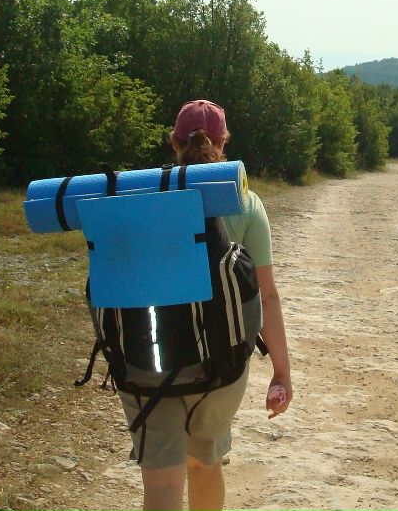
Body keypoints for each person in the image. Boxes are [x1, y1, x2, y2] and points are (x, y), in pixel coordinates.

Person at [119, 99, 293, 511]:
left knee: (162, 481)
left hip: (146, 359)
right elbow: (266, 295)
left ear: (174, 142)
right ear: (223, 142)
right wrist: (281, 371)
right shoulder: (245, 203)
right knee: (203, 464)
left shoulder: (139, 194)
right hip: (219, 364)